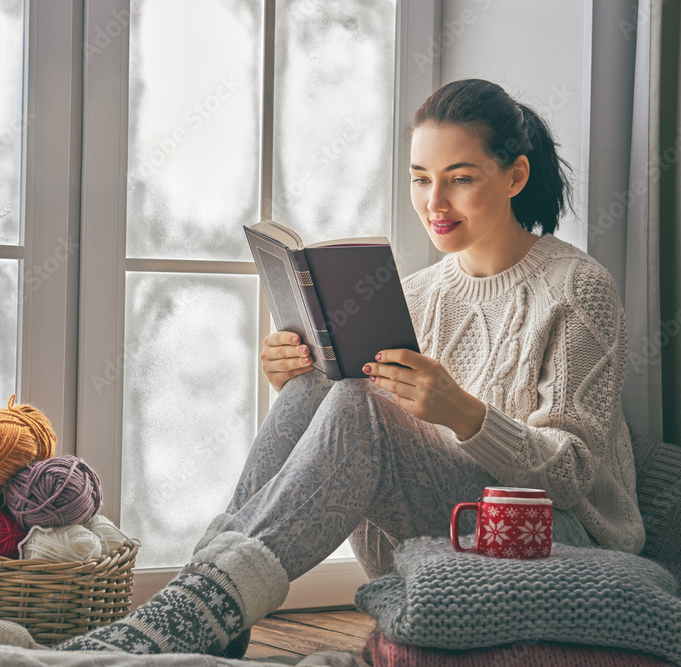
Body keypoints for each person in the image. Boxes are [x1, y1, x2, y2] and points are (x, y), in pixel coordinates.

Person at [57, 78, 645, 657]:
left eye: (460, 179)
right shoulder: (415, 294)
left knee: (361, 400)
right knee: (328, 378)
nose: (434, 204)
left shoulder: (578, 289)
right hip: (440, 529)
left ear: (514, 175)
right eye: (421, 180)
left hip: (554, 543)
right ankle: (205, 600)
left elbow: (571, 475)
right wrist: (292, 376)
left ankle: (195, 609)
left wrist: (464, 414)